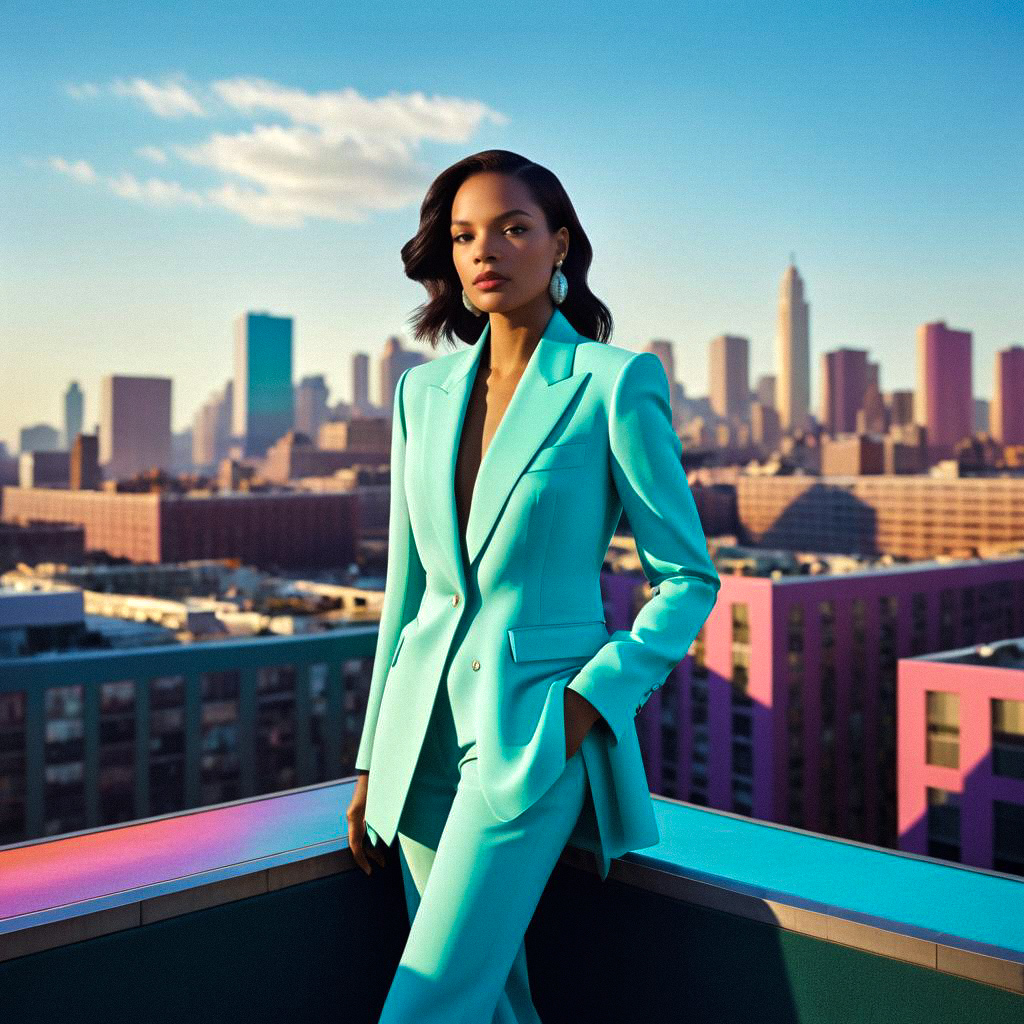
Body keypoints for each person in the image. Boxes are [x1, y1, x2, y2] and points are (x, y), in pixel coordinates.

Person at [346, 149, 721, 1023]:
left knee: (426, 1004)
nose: (487, 252)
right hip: (421, 736)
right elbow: (409, 593)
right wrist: (374, 757)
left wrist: (590, 704)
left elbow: (688, 578)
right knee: (491, 998)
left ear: (560, 246)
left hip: (531, 731)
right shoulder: (420, 394)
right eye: (465, 235)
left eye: (514, 229)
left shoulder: (613, 383)